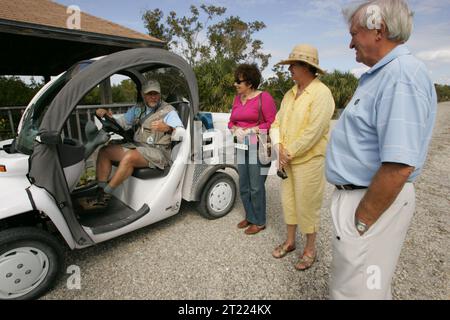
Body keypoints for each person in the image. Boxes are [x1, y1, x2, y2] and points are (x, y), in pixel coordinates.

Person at [326, 0, 437, 299]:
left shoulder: (401, 75)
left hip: (370, 200)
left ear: (378, 29)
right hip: (362, 196)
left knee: (361, 292)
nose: (350, 43)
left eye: (354, 33)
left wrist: (363, 220)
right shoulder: (383, 74)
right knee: (360, 286)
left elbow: (399, 165)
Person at [270, 44, 335, 270]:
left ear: (307, 67)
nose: (289, 69)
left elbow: (314, 131)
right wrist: (278, 145)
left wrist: (288, 152)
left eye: (293, 65)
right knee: (288, 202)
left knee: (307, 205)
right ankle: (290, 242)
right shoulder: (289, 94)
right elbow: (276, 123)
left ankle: (310, 249)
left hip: (308, 161)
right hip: (287, 160)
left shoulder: (322, 94)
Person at [84, 79, 184, 209]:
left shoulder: (168, 111)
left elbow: (181, 131)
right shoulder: (138, 109)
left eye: (156, 94)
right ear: (143, 94)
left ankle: (104, 197)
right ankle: (100, 190)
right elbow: (121, 123)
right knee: (105, 151)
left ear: (160, 94)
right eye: (149, 94)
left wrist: (168, 128)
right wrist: (106, 115)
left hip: (158, 153)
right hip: (138, 146)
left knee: (129, 157)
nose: (153, 97)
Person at [228, 64, 277, 235]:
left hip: (258, 146)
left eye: (238, 81)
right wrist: (234, 129)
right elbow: (231, 121)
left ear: (249, 83)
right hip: (241, 145)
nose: (235, 84)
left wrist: (252, 130)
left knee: (256, 186)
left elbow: (272, 122)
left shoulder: (264, 97)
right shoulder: (237, 99)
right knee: (244, 184)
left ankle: (259, 221)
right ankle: (250, 215)